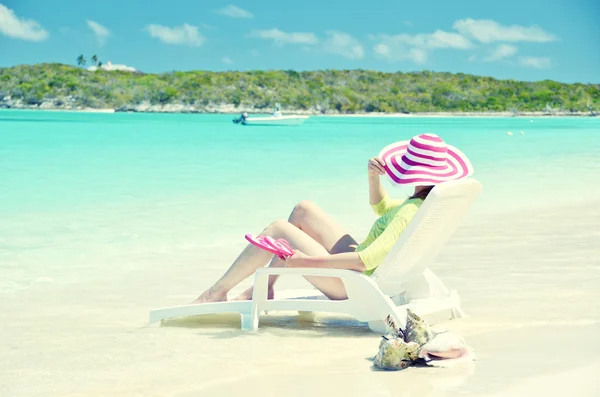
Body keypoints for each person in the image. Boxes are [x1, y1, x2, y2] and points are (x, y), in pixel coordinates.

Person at [193, 133, 473, 303]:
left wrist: (304, 261)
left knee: (278, 228)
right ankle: (263, 287)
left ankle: (216, 292)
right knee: (304, 209)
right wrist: (373, 177)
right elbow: (381, 207)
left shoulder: (410, 212)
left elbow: (365, 261)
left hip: (353, 284)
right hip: (364, 272)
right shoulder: (422, 204)